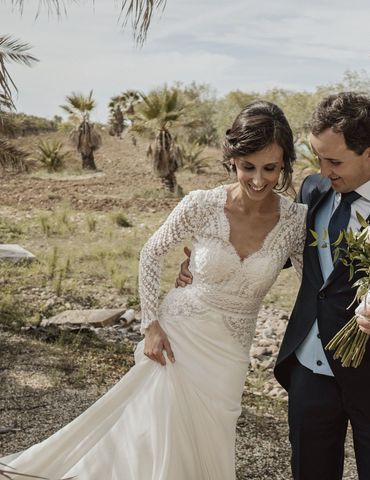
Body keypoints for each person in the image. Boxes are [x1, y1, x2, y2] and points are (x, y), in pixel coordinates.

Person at [0, 100, 307, 479]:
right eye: (248, 167)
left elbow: (313, 286)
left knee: (211, 437)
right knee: (155, 439)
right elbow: (151, 252)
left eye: (270, 168)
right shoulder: (202, 204)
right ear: (232, 161)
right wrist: (151, 325)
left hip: (230, 352)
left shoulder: (296, 220)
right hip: (178, 336)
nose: (259, 180)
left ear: (285, 164)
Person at [177, 92, 370, 479]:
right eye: (318, 157)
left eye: (335, 161)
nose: (323, 171)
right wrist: (205, 264)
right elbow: (278, 248)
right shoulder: (313, 191)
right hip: (308, 369)